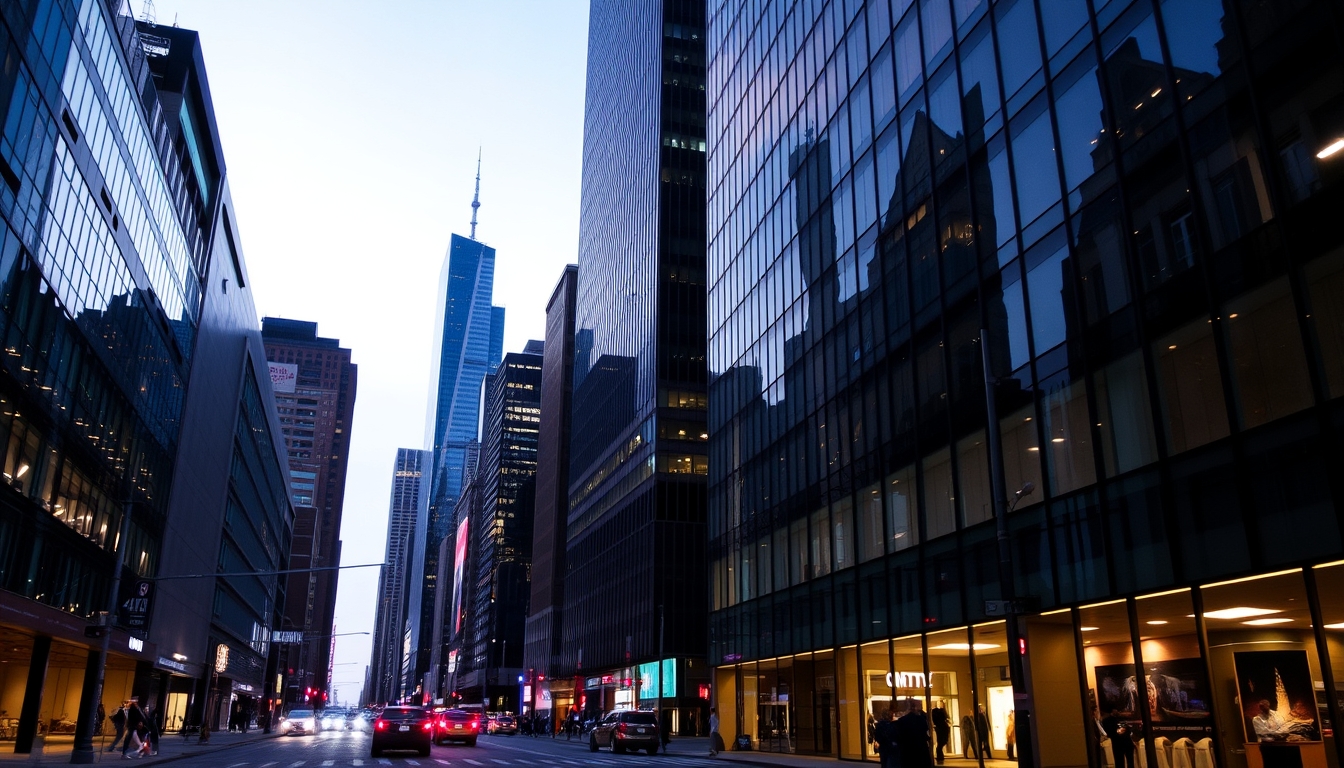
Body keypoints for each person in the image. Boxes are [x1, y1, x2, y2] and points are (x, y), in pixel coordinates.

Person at [894, 700, 933, 768]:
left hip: (907, 751)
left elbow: (899, 735)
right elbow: (925, 732)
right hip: (920, 750)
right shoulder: (920, 719)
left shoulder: (902, 721)